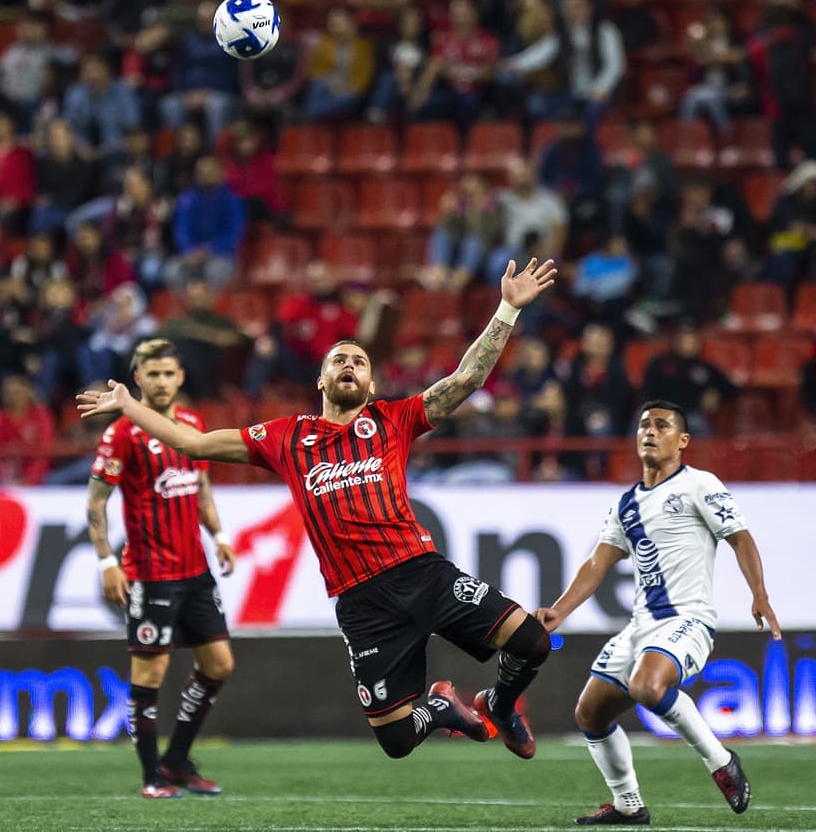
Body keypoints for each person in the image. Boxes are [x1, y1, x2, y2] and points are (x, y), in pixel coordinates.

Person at [79, 259, 559, 764]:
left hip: (423, 574)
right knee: (396, 742)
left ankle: (500, 706)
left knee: (532, 643)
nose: (349, 365)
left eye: (359, 361)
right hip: (362, 602)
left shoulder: (393, 419)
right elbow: (194, 444)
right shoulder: (286, 437)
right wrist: (131, 407)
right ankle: (440, 708)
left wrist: (507, 306)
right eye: (339, 360)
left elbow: (466, 378)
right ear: (321, 379)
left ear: (372, 385)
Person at [533, 400, 781, 825]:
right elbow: (598, 563)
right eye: (644, 425)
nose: (650, 431)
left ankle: (721, 762)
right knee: (589, 713)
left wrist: (759, 594)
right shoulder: (627, 503)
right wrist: (560, 610)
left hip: (688, 620)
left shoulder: (700, 485)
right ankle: (629, 804)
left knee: (648, 686)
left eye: (661, 425)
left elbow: (740, 537)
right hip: (640, 626)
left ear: (682, 441)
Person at [86, 339, 237, 799]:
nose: (162, 382)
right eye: (152, 374)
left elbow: (202, 487)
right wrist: (107, 561)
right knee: (149, 674)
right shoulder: (121, 434)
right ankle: (151, 775)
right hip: (151, 574)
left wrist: (220, 535)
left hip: (195, 571)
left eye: (169, 373)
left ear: (181, 377)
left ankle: (176, 762)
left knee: (219, 664)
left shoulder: (192, 424)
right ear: (138, 379)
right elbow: (96, 503)